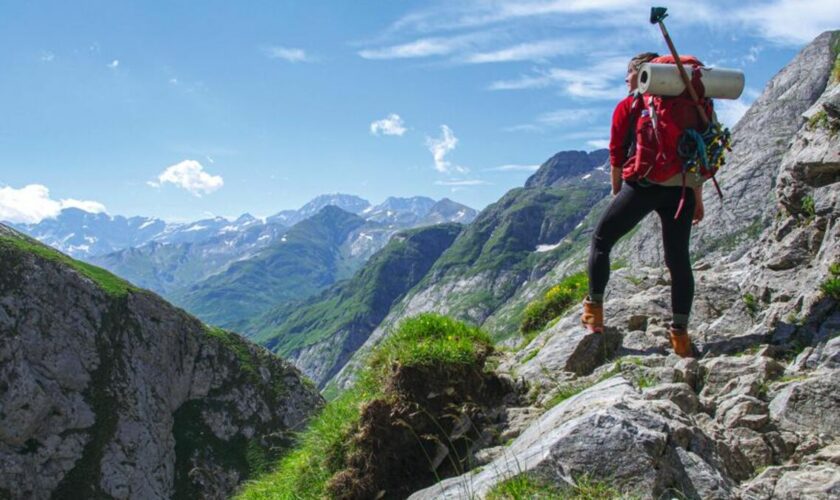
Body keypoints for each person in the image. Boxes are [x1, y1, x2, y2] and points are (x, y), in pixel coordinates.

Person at [580, 52, 704, 358]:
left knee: (601, 240)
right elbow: (702, 152)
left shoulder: (631, 104)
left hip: (644, 185)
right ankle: (681, 338)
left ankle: (594, 312)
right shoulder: (692, 100)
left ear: (642, 73)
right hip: (683, 188)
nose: (625, 80)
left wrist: (617, 192)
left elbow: (616, 153)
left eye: (628, 73)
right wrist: (697, 198)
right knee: (678, 261)